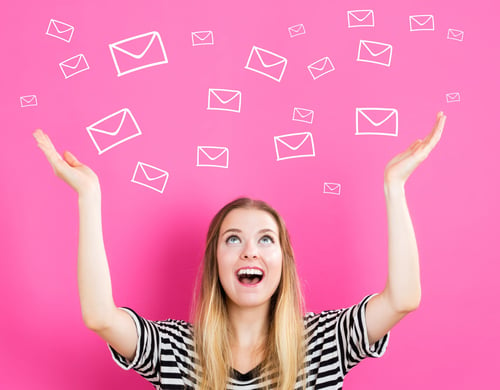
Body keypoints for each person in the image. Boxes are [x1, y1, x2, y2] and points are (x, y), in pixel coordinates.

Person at [33, 111, 446, 389]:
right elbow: (100, 316)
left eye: (266, 239)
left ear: (283, 260)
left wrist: (395, 186)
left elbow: (403, 299)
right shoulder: (176, 350)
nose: (250, 251)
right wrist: (88, 196)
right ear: (216, 260)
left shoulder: (323, 343)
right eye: (234, 239)